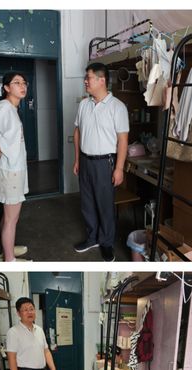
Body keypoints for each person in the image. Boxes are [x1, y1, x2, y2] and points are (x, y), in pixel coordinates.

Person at [73, 62, 129, 262]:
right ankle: (92, 238)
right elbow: (77, 132)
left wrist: (119, 168)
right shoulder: (84, 104)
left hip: (105, 163)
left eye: (88, 78)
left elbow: (123, 140)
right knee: (87, 203)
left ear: (101, 80)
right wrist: (77, 159)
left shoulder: (117, 107)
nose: (85, 81)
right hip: (85, 161)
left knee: (105, 205)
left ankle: (106, 243)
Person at [0, 72, 31, 262]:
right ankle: (9, 259)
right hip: (11, 170)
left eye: (24, 82)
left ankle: (8, 248)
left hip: (14, 168)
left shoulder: (11, 108)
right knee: (12, 218)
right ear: (6, 88)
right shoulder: (5, 107)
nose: (22, 86)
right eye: (16, 83)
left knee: (8, 215)